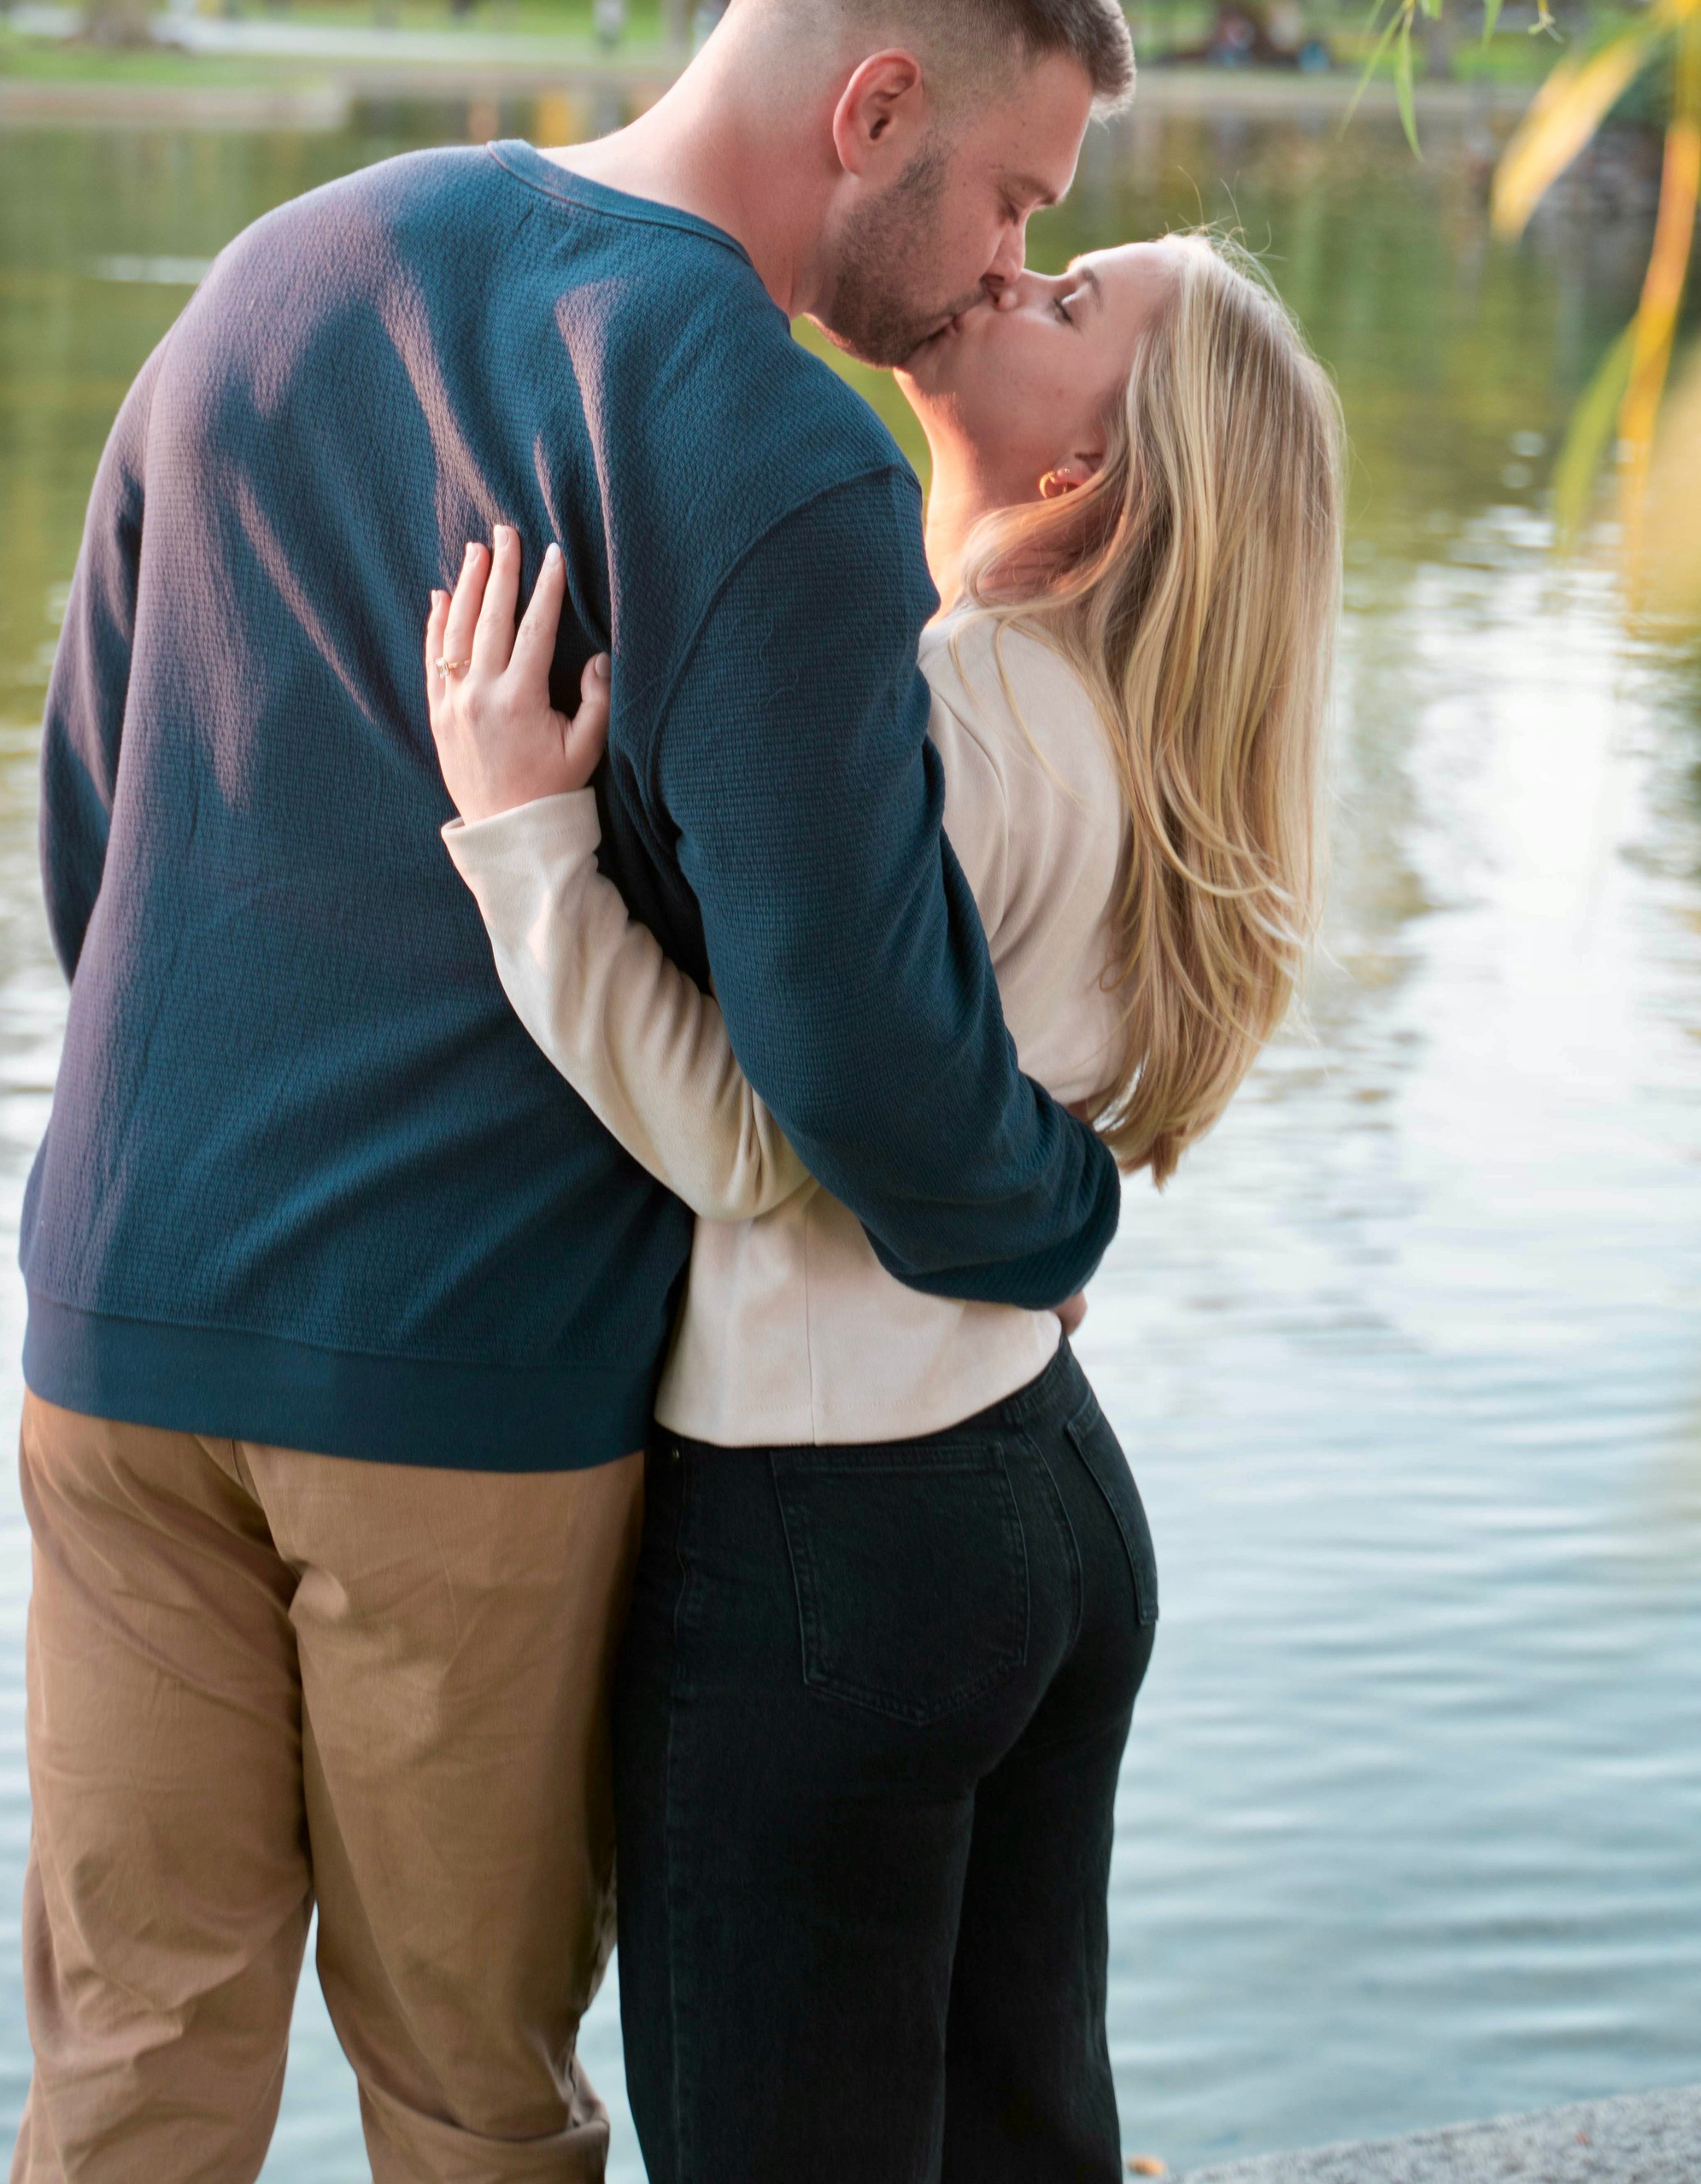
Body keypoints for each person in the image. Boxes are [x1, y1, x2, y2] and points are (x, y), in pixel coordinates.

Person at [13, 0, 1132, 2181]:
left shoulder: (287, 262)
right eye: (1014, 193)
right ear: (877, 103)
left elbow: (89, 819)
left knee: (133, 2068)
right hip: (462, 1379)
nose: (1009, 262)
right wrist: (1055, 1204)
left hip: (116, 1332)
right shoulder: (761, 432)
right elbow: (852, 1046)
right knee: (472, 2093)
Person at [425, 228, 1344, 2184]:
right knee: (1022, 2134)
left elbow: (757, 1138)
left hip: (830, 1530)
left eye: (1067, 302)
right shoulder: (1144, 741)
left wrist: (524, 846)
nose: (1011, 282)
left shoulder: (953, 706)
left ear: (1088, 470)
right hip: (1044, 1497)